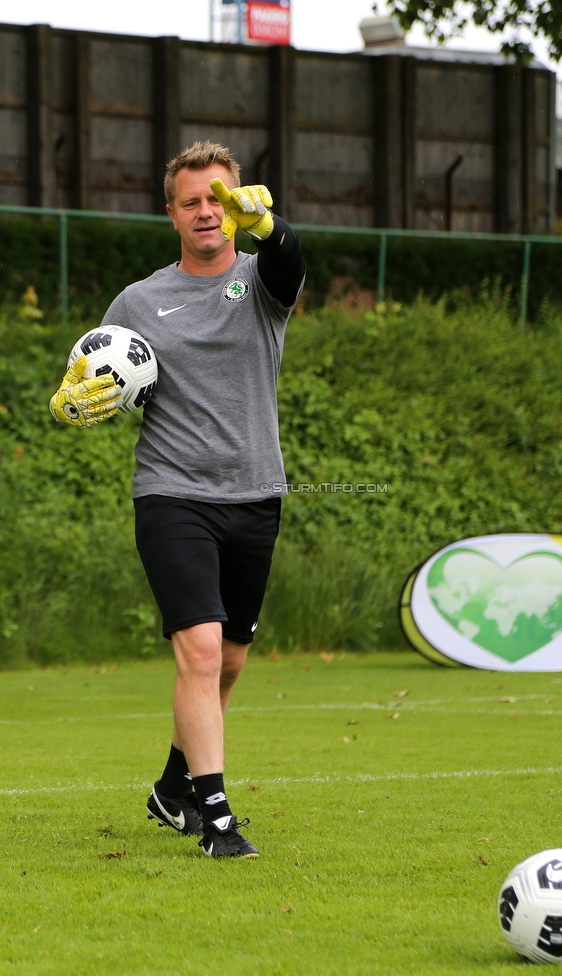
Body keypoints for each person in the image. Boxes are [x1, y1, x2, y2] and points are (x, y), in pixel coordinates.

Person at [49, 141, 305, 859]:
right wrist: (76, 401)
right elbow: (100, 376)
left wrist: (268, 226)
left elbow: (289, 260)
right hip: (171, 493)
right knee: (196, 651)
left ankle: (173, 785)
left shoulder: (261, 284)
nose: (205, 211)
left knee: (227, 663)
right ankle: (219, 821)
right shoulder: (138, 301)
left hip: (255, 494)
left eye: (217, 198)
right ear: (170, 213)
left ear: (235, 203)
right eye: (190, 201)